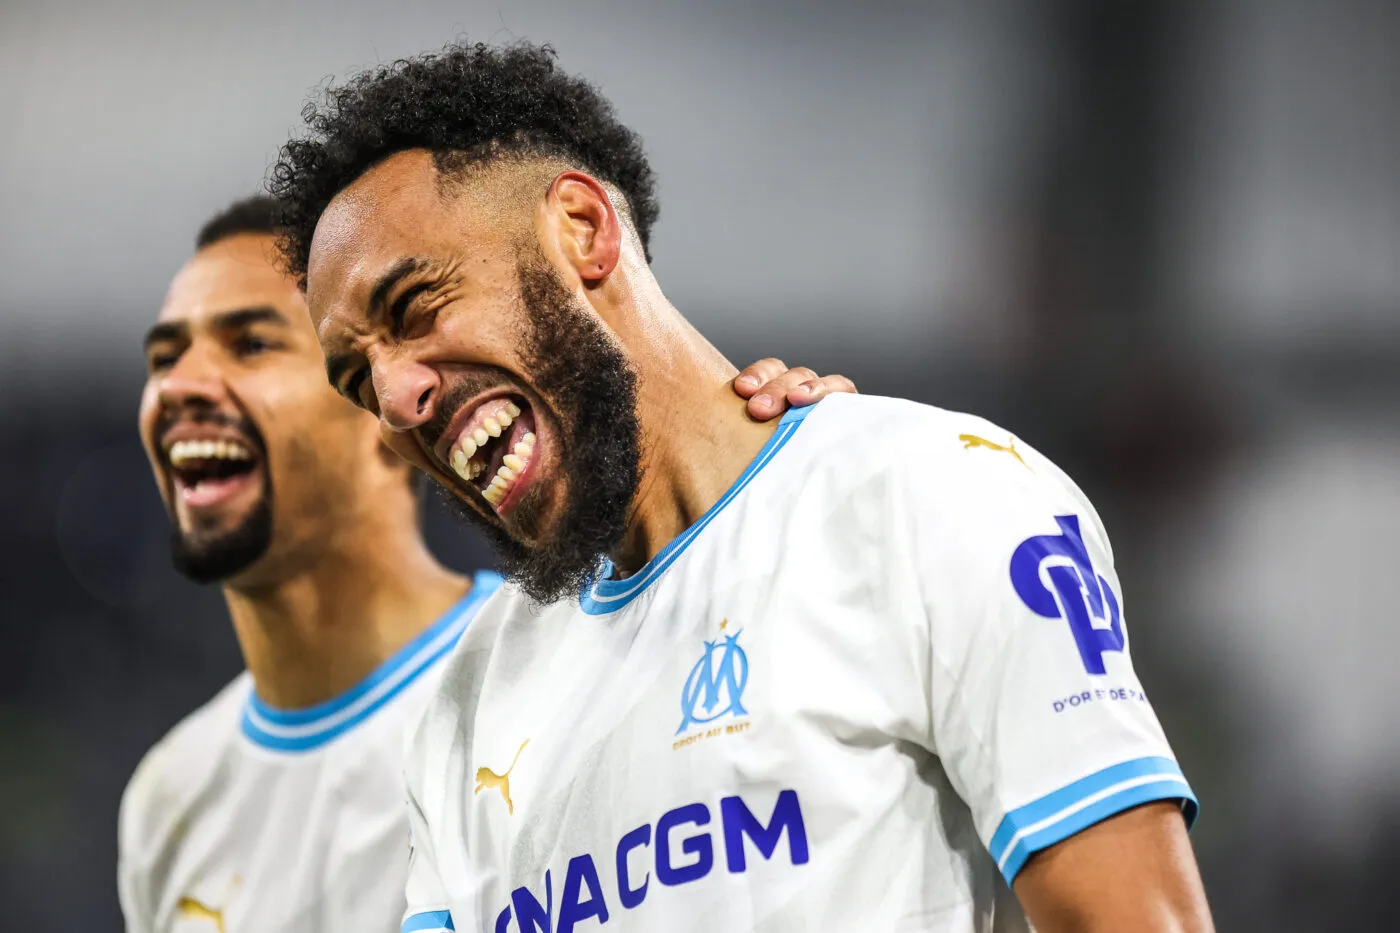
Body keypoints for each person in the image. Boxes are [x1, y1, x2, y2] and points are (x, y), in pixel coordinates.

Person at [271, 42, 1215, 933]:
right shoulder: (465, 707)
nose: (395, 404)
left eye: (415, 307)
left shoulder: (930, 495)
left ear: (581, 229)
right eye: (359, 382)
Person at [117, 194, 854, 933]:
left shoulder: (555, 673)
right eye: (163, 358)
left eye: (251, 345)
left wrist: (775, 477)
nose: (180, 386)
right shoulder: (169, 795)